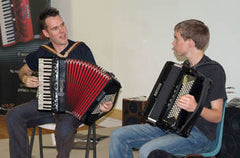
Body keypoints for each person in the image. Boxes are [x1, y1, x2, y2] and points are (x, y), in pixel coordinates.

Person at [109, 19, 227, 158]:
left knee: (148, 150)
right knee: (118, 135)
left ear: (190, 42)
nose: (173, 42)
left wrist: (196, 107)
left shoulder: (214, 70)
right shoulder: (182, 69)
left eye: (176, 38)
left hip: (198, 135)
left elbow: (217, 116)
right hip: (167, 128)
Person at [6, 7, 113, 158]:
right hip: (45, 106)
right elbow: (24, 70)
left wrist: (104, 102)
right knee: (13, 116)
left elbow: (97, 82)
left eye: (62, 25)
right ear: (46, 33)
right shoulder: (43, 52)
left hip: (72, 111)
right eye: (55, 28)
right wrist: (25, 78)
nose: (62, 31)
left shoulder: (81, 50)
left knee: (63, 129)